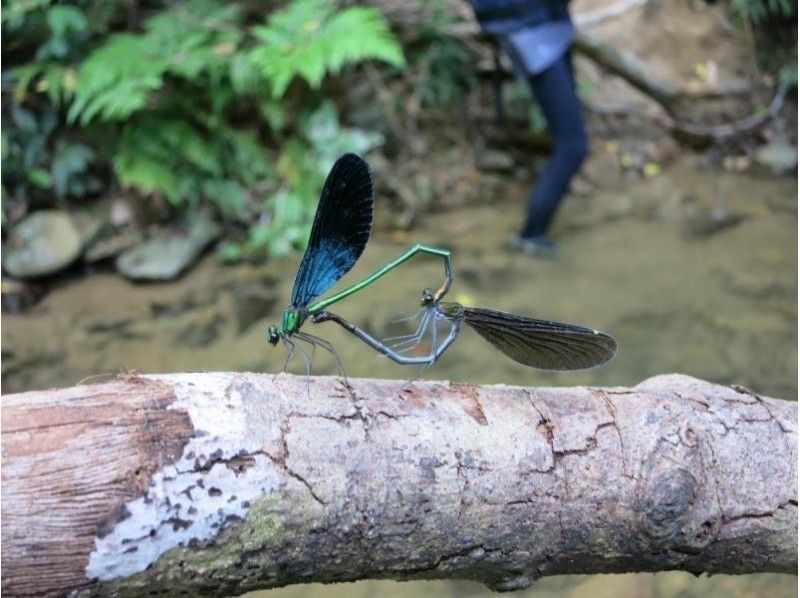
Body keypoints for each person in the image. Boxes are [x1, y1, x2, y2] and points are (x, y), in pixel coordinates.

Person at [471, 0, 587, 257]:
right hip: (531, 33)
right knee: (573, 145)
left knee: (568, 140)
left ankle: (535, 227)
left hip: (547, 27)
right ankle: (531, 234)